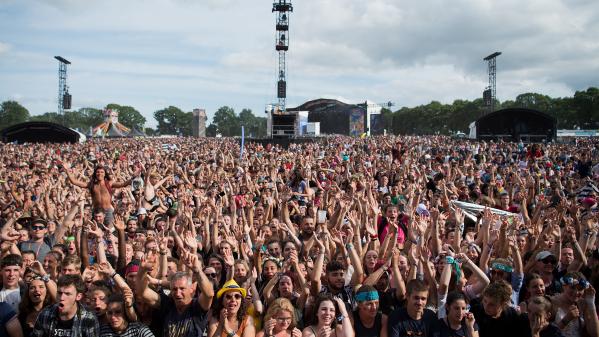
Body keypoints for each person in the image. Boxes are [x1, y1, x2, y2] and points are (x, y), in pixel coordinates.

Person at [138, 250, 214, 337]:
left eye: (182, 289)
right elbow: (142, 292)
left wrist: (197, 270)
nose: (178, 293)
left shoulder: (197, 307)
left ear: (191, 289)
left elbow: (209, 294)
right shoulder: (167, 304)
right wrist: (142, 271)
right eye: (174, 289)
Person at [31, 274, 100, 337]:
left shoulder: (88, 319)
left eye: (67, 294)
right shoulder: (45, 314)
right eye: (59, 293)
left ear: (78, 296)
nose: (61, 298)